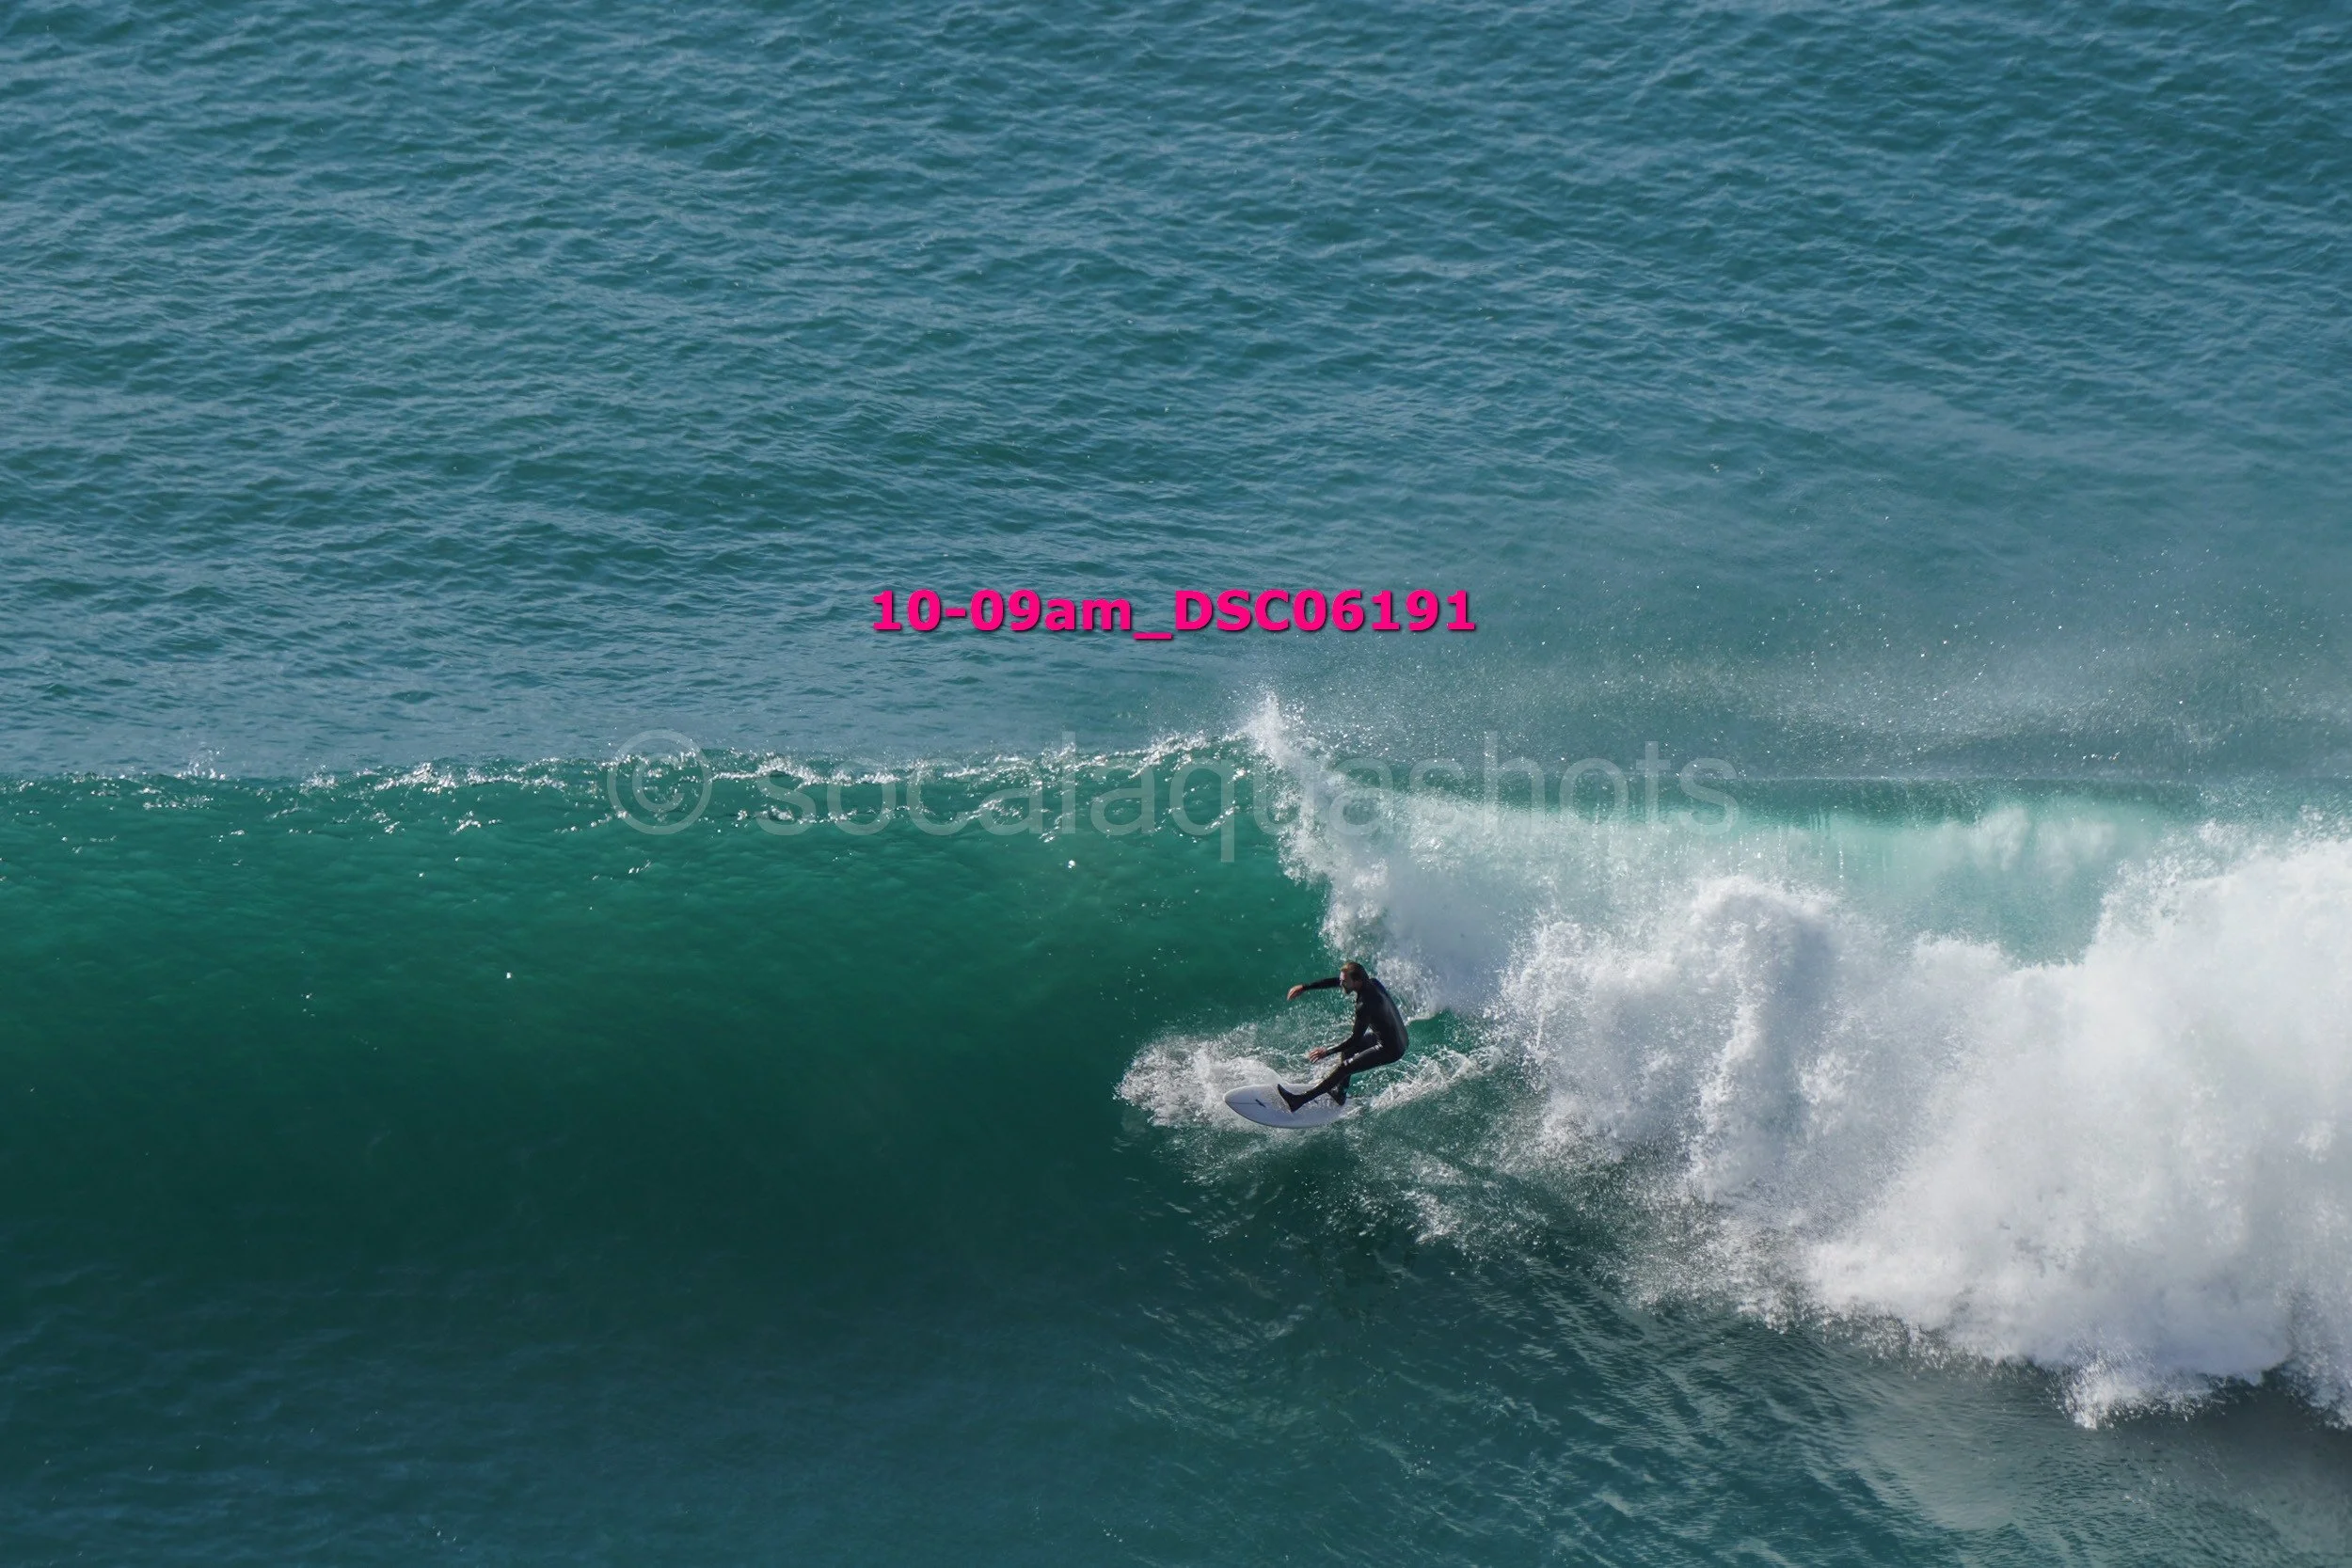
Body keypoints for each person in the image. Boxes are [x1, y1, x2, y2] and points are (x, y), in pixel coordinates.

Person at [1278, 960, 1407, 1112]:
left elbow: (1355, 1039)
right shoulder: (1373, 983)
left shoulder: (1364, 1005)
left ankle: (1298, 1101)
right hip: (1398, 1036)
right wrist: (1305, 987)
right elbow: (1337, 981)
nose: (1341, 984)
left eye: (1344, 981)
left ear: (1357, 981)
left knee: (1344, 1068)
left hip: (1391, 1049)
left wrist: (1327, 1052)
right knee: (1347, 1052)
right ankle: (1340, 1093)